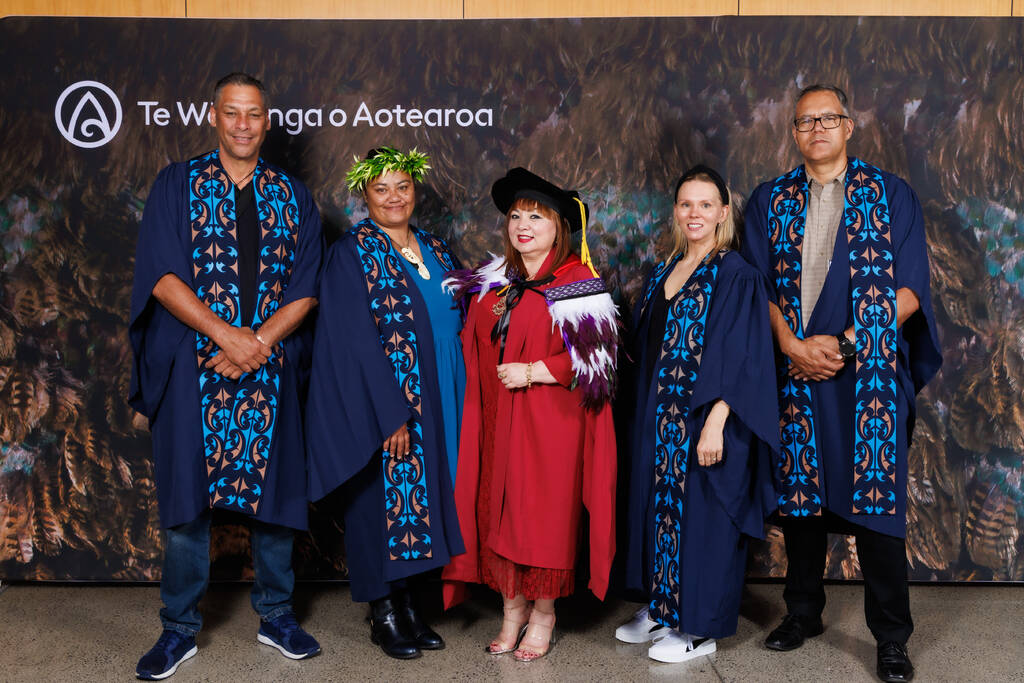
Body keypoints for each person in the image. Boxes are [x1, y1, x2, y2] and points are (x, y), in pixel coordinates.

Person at [742, 84, 942, 683]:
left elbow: (909, 290)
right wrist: (791, 346)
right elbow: (758, 288)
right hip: (796, 372)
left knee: (877, 508)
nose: (818, 129)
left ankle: (891, 638)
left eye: (829, 118)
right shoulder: (769, 200)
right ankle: (802, 612)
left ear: (849, 126)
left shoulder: (890, 195)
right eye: (806, 122)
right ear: (794, 133)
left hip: (868, 378)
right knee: (800, 497)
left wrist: (847, 344)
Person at [128, 72, 323, 680]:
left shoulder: (293, 196)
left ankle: (277, 614)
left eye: (254, 114)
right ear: (214, 117)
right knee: (188, 505)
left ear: (267, 122)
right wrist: (227, 336)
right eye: (232, 112)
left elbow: (307, 289)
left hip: (268, 367)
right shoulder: (176, 185)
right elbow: (160, 277)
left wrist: (258, 343)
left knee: (276, 502)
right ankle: (179, 628)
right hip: (194, 368)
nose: (243, 124)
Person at [441, 168, 618, 662]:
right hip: (498, 420)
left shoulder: (577, 283)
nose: (523, 225)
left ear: (559, 226)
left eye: (535, 217)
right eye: (516, 216)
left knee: (541, 521)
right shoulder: (496, 279)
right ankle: (511, 609)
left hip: (549, 426)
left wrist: (537, 370)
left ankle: (542, 615)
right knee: (498, 513)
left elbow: (598, 363)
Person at [305, 147, 465, 660]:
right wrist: (388, 413)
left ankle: (411, 606)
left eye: (402, 186)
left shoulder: (436, 247)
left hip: (440, 389)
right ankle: (384, 613)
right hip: (388, 401)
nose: (394, 198)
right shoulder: (352, 254)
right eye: (382, 189)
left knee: (423, 501)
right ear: (364, 195)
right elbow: (352, 341)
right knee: (381, 503)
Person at [615, 165, 779, 663]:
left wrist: (715, 422)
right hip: (660, 422)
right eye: (686, 204)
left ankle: (699, 629)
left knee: (706, 523)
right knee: (662, 514)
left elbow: (746, 354)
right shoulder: (666, 270)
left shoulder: (736, 275)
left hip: (706, 422)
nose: (695, 213)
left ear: (723, 212)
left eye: (706, 204)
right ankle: (666, 608)